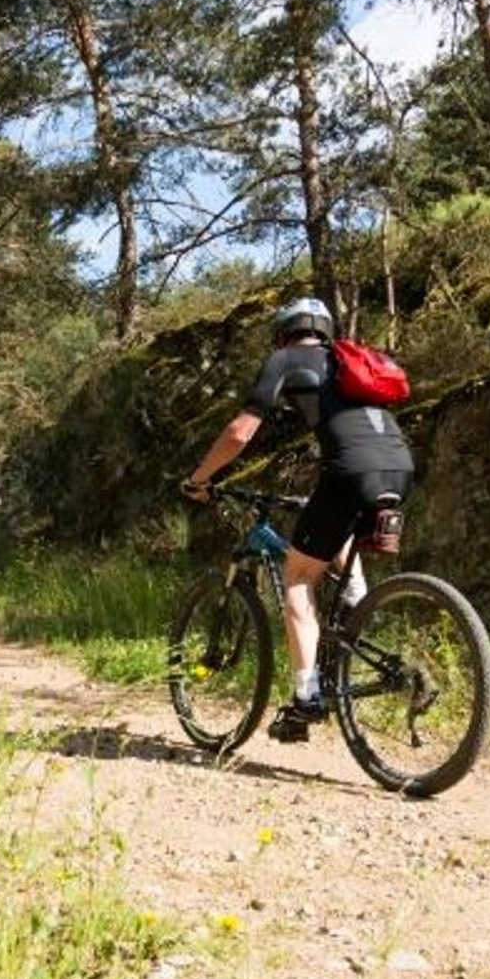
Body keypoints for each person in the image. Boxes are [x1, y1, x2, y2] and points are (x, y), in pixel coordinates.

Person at [181, 296, 413, 742]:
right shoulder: (347, 362)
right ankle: (357, 609)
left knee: (298, 578)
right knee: (330, 531)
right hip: (400, 467)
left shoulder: (286, 359)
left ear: (283, 332)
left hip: (349, 471)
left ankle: (306, 699)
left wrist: (198, 479)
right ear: (326, 329)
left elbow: (239, 432)